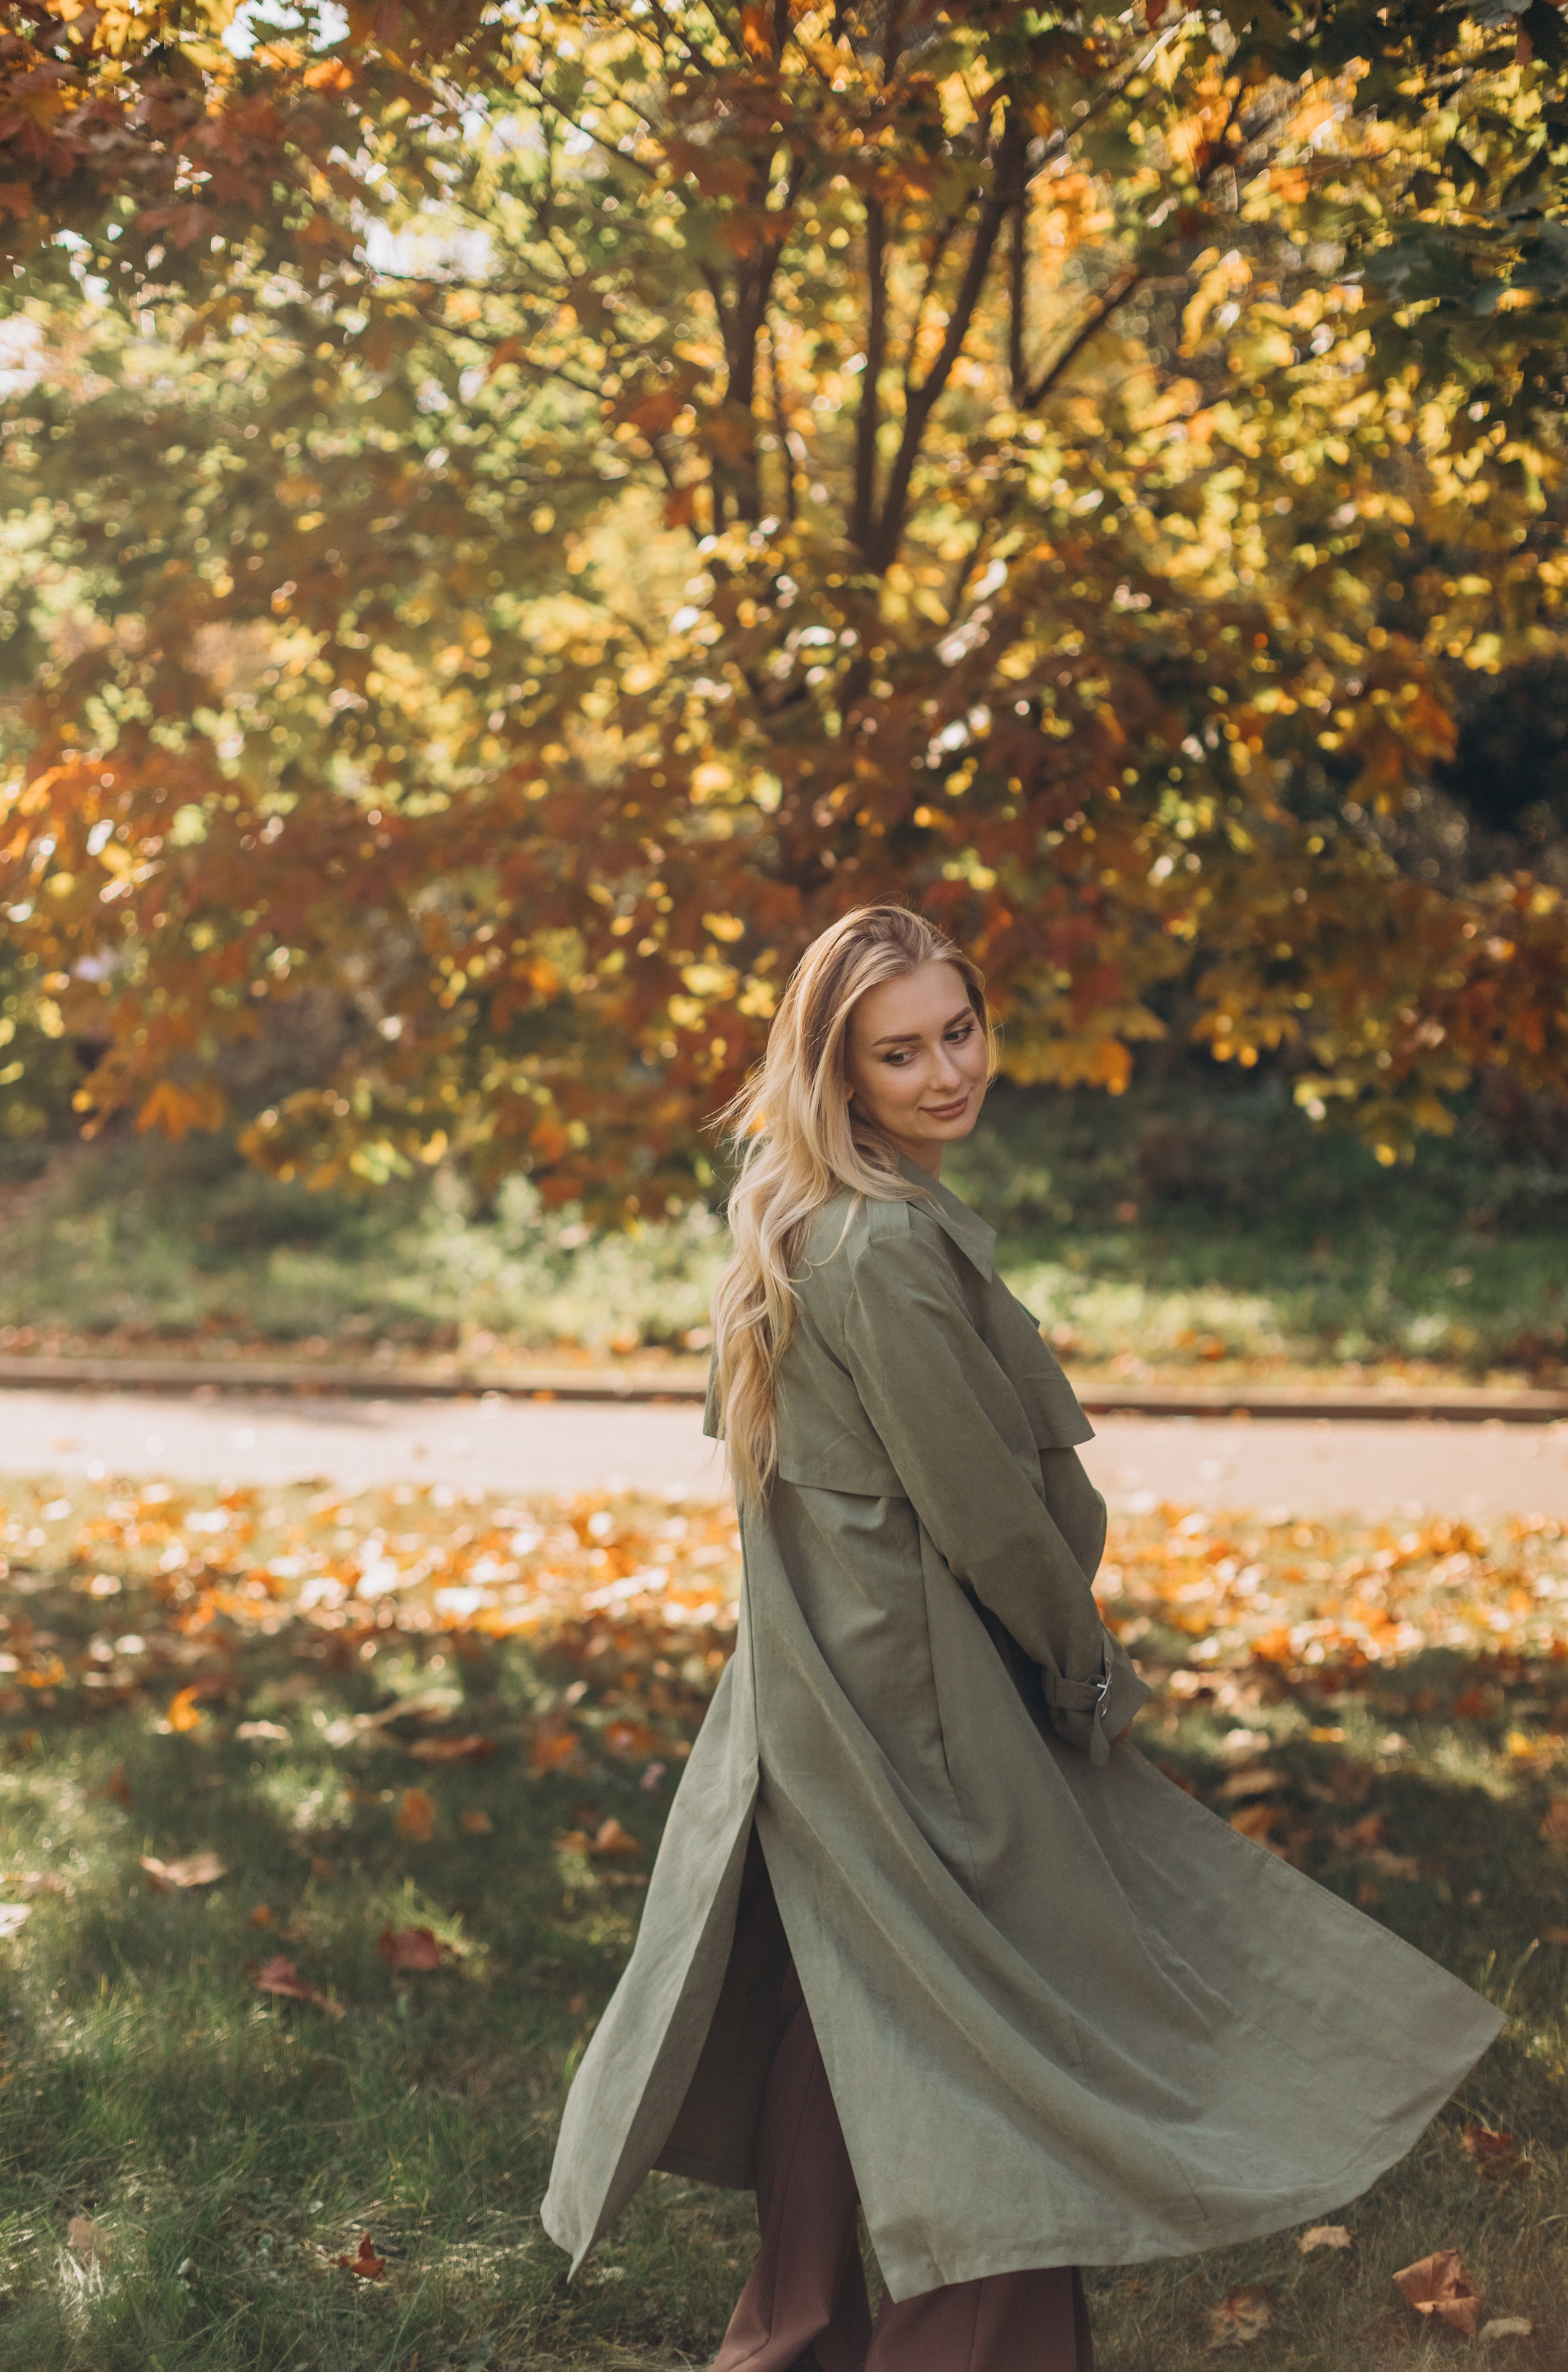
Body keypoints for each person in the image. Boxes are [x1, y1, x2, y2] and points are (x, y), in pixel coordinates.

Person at [543, 904, 1503, 2371]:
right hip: (920, 1705)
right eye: (900, 1052)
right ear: (836, 1072)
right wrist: (1080, 1666)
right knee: (985, 2030)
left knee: (848, 1999)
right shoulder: (876, 1248)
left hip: (828, 1690)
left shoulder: (812, 1225)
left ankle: (789, 2339)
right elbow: (985, 1514)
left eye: (960, 1031)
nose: (947, 1073)